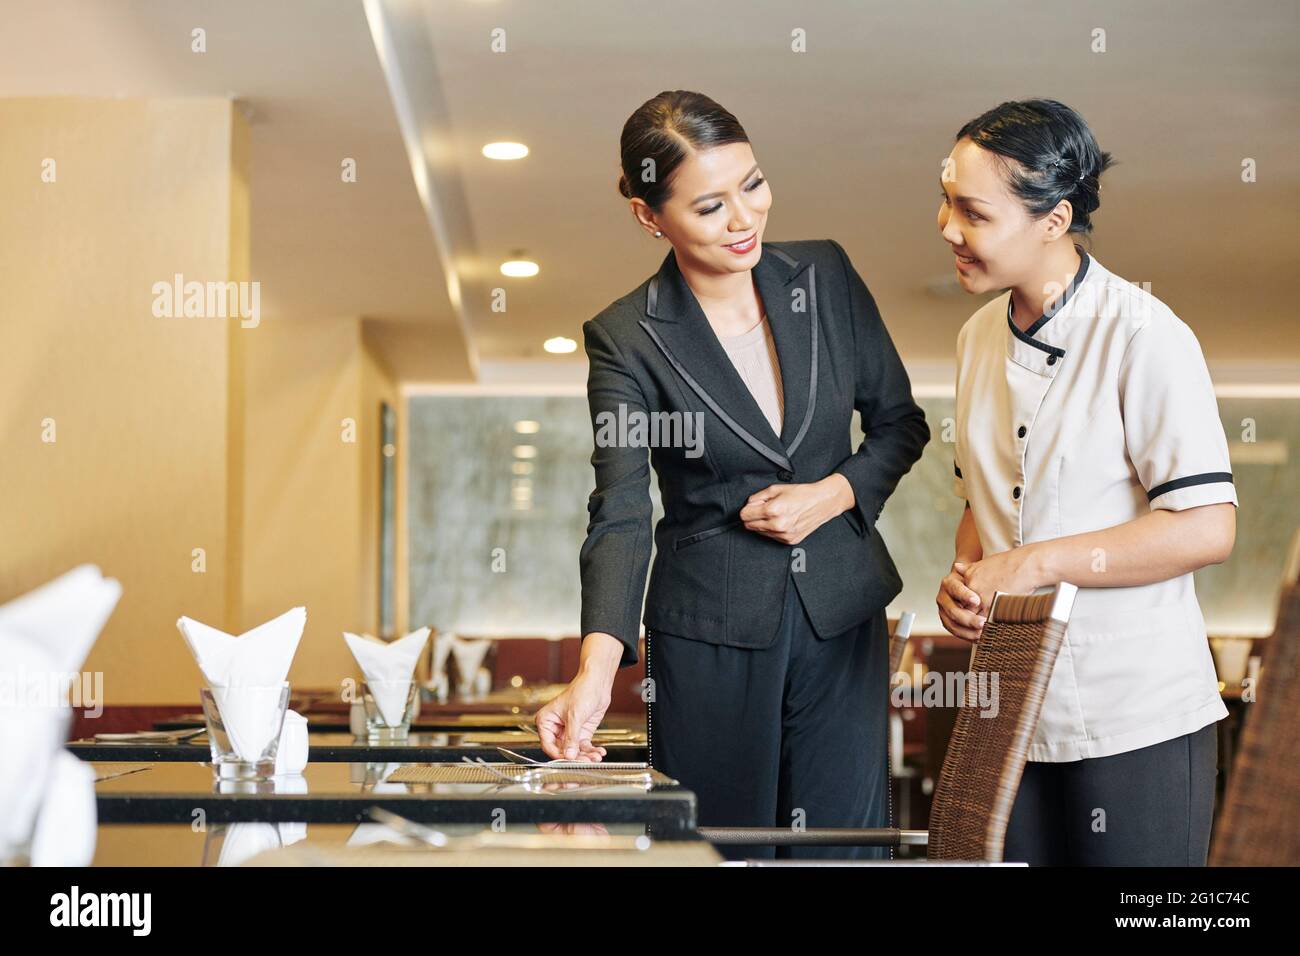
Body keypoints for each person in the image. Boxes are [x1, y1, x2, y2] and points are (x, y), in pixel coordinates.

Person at [534, 90, 929, 860]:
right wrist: (596, 668)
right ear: (652, 218)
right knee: (719, 849)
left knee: (840, 850)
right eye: (711, 206)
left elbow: (899, 425)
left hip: (840, 614)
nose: (745, 219)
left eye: (753, 184)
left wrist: (832, 493)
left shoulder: (826, 274)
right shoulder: (626, 336)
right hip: (708, 627)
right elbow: (619, 508)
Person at [935, 98, 1237, 865]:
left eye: (973, 212)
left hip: (1137, 713)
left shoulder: (1145, 334)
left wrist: (1034, 563)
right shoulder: (974, 340)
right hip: (1012, 712)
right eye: (945, 202)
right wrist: (967, 575)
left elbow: (1207, 527)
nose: (946, 228)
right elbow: (985, 500)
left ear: (1053, 219)